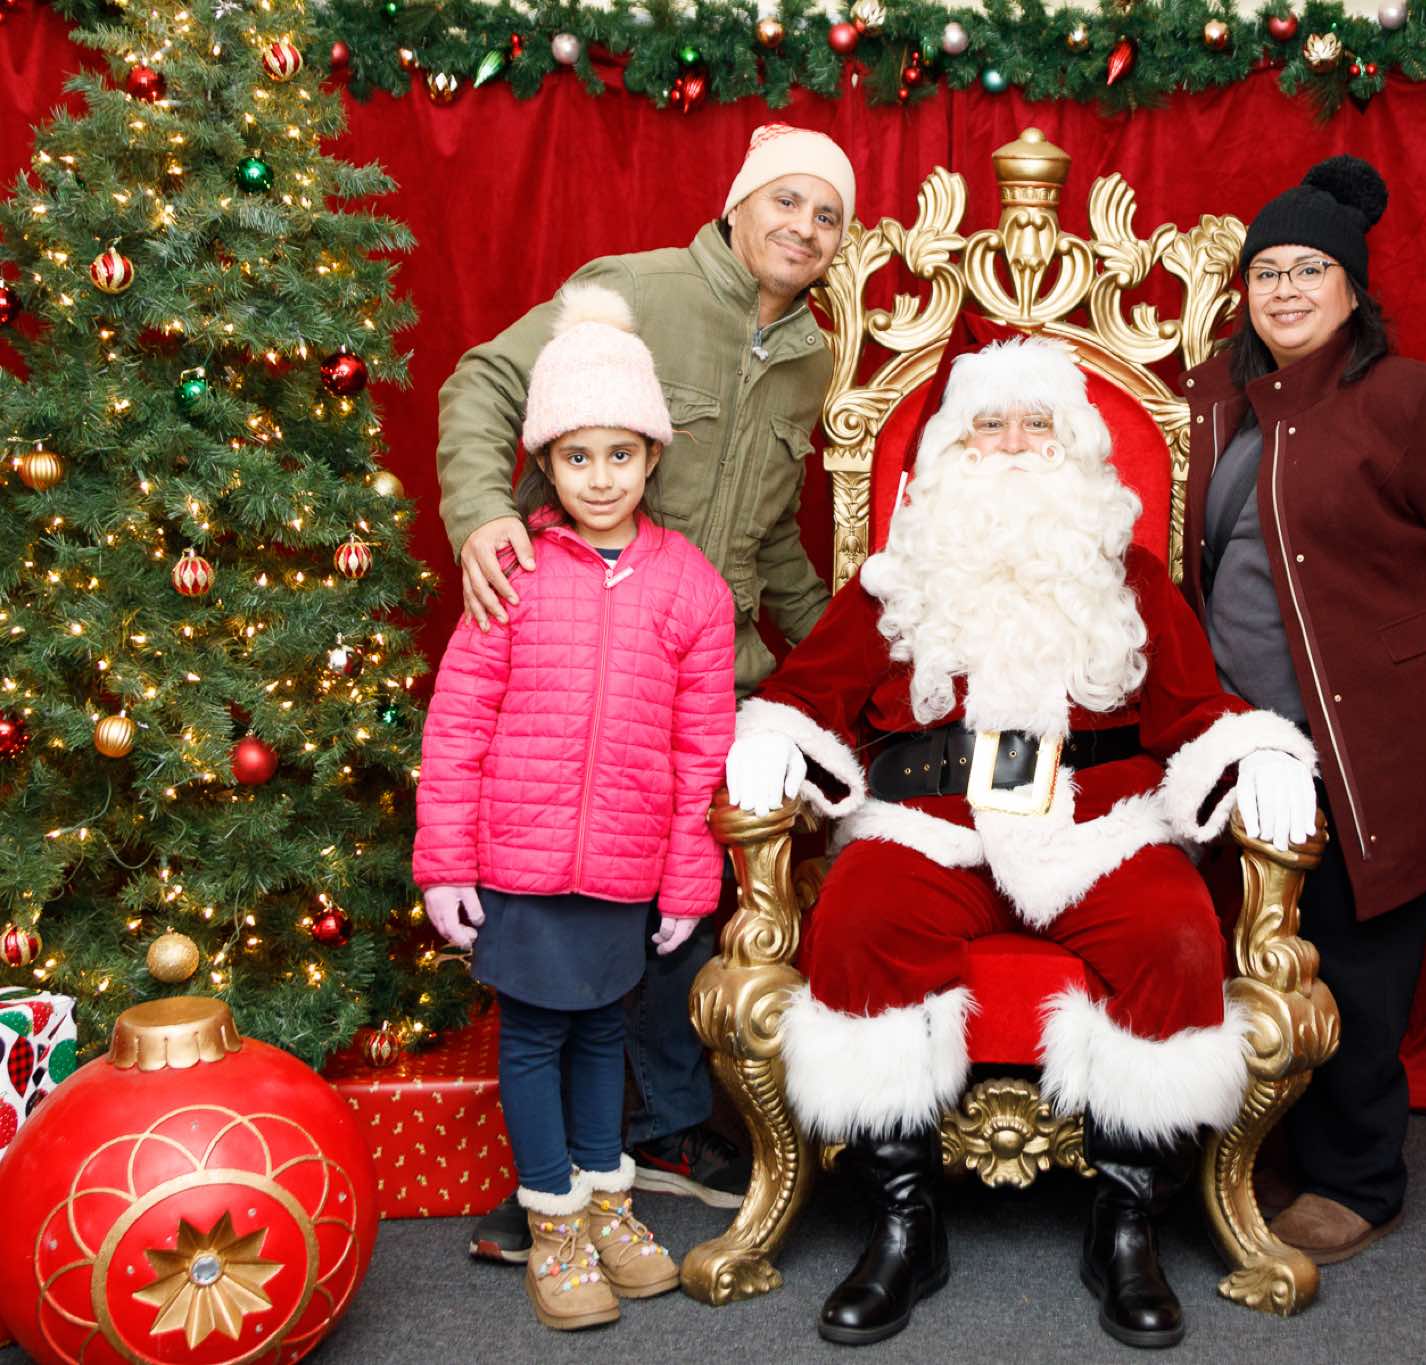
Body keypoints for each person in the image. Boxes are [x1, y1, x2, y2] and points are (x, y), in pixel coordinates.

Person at [723, 337, 1320, 1349]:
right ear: (950, 449)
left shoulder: (1128, 576)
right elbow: (806, 689)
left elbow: (1195, 708)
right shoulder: (897, 579)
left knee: (1176, 933)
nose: (1009, 444)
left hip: (1096, 829)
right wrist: (774, 738)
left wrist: (1256, 750)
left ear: (1072, 445)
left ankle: (1125, 1221)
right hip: (929, 827)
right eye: (986, 425)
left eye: (1034, 424)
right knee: (860, 918)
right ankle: (904, 1223)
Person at [436, 123, 854, 1256]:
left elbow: (770, 540)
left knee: (679, 909)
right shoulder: (635, 291)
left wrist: (850, 647)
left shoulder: (811, 359)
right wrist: (482, 513)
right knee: (568, 907)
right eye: (786, 201)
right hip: (577, 654)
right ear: (738, 204)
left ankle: (658, 1132)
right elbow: (485, 381)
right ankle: (558, 1179)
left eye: (827, 216)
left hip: (703, 672)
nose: (803, 228)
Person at [1178, 157, 1426, 1265]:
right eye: (1267, 272)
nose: (1286, 289)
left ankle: (1356, 1178)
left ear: (1352, 288)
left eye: (1311, 270)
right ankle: (1256, 1145)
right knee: (1241, 945)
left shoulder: (1413, 400)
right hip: (1238, 738)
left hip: (1366, 741)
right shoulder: (1211, 394)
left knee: (1353, 957)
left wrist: (1399, 650)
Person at [415, 285, 737, 1330]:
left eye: (620, 454)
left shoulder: (691, 588)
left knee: (603, 1033)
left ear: (652, 456)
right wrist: (445, 863)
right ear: (545, 464)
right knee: (533, 1038)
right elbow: (457, 723)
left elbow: (701, 752)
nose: (601, 477)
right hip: (518, 861)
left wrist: (688, 879)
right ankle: (551, 1218)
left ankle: (606, 1201)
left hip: (624, 865)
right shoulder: (510, 571)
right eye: (577, 456)